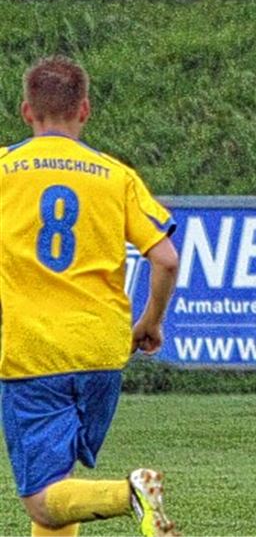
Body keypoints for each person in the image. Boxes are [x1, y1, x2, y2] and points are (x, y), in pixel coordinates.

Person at [0, 56, 180, 537]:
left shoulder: (4, 169)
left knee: (40, 500)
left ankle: (131, 493)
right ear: (84, 110)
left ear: (25, 111)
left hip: (32, 349)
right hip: (102, 350)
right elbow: (165, 258)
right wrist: (151, 321)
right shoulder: (115, 176)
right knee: (63, 486)